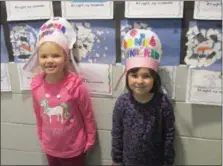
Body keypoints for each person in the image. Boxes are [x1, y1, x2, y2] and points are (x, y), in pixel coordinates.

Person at [23, 17, 96, 166]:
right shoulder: (37, 86)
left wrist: (90, 138)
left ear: (65, 58)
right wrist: (41, 136)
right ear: (38, 59)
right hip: (50, 148)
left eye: (55, 55)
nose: (49, 60)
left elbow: (87, 115)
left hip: (74, 149)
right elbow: (39, 114)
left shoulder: (75, 86)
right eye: (44, 56)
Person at [112, 29, 175, 166]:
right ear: (127, 76)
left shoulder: (163, 104)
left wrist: (168, 161)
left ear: (154, 78)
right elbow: (117, 132)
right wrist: (116, 160)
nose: (139, 81)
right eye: (134, 75)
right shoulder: (122, 103)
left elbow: (169, 135)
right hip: (128, 162)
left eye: (146, 76)